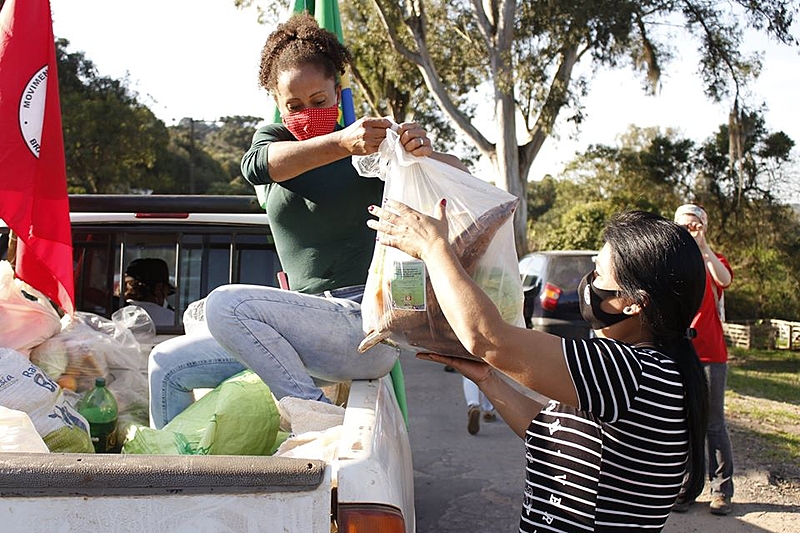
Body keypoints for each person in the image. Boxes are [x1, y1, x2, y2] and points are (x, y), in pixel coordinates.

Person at [147, 13, 466, 428]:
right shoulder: (274, 143)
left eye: (319, 101)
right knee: (165, 364)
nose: (308, 113)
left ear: (338, 91)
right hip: (299, 330)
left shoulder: (374, 147)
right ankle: (174, 483)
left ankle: (315, 416)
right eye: (294, 106)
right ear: (276, 103)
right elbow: (259, 167)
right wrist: (339, 141)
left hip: (364, 325)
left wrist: (422, 151)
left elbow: (457, 176)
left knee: (227, 303)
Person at [367, 201, 709, 532]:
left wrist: (433, 247)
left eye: (600, 273)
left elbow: (486, 337)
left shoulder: (628, 371)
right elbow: (551, 432)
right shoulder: (647, 372)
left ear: (634, 303)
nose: (589, 281)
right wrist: (488, 379)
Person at [672, 203, 735, 516]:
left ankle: (721, 490)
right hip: (680, 353)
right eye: (683, 225)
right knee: (682, 424)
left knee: (714, 424)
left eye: (695, 224)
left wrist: (703, 246)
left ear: (704, 226)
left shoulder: (714, 260)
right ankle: (684, 489)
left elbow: (723, 280)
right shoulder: (670, 262)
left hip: (711, 355)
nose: (689, 229)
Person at [123, 258, 175, 327]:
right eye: (166, 292)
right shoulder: (172, 319)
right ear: (159, 289)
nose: (165, 298)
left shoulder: (118, 315)